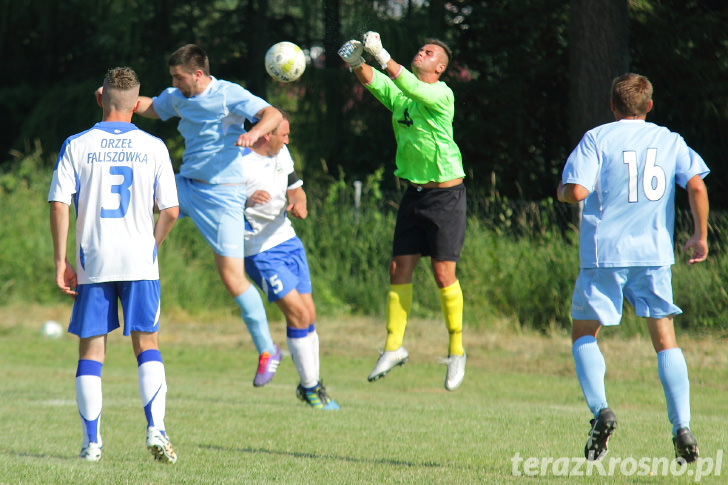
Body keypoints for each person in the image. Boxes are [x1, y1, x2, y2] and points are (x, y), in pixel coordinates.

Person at [557, 73, 709, 463]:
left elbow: (576, 191)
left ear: (612, 105)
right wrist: (699, 235)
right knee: (664, 338)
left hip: (604, 253)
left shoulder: (598, 138)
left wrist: (562, 191)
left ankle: (600, 411)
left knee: (583, 332)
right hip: (653, 253)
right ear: (649, 106)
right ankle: (682, 427)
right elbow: (695, 185)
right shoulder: (669, 140)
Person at [127, 44, 284, 386]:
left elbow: (272, 114)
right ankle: (132, 273)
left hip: (222, 193)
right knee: (137, 202)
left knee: (231, 277)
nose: (174, 82)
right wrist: (117, 98)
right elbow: (152, 106)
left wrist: (255, 131)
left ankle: (268, 350)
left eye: (178, 77)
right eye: (172, 77)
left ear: (198, 74)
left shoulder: (229, 94)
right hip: (185, 185)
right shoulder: (178, 96)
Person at [49, 66, 179, 463]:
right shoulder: (154, 146)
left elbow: (59, 203)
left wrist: (61, 261)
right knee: (147, 345)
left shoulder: (77, 144)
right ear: (138, 105)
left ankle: (92, 444)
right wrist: (151, 246)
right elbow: (171, 210)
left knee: (91, 351)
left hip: (94, 260)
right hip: (140, 260)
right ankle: (155, 430)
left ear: (100, 97)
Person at [338, 33, 467, 391]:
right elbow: (377, 83)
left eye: (428, 53)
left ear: (439, 68)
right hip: (414, 194)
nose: (420, 53)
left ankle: (457, 350)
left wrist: (381, 54)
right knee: (398, 268)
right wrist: (356, 62)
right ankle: (394, 346)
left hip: (446, 197)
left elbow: (408, 84)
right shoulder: (404, 97)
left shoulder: (441, 93)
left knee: (443, 275)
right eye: (420, 48)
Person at [243, 108, 340, 410]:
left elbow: (297, 191)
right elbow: (214, 205)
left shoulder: (281, 153)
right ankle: (310, 389)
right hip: (258, 251)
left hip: (287, 241)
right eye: (284, 132)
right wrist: (243, 201)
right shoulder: (238, 164)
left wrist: (299, 205)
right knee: (297, 314)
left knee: (308, 314)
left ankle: (311, 383)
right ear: (266, 133)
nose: (288, 137)